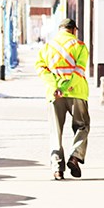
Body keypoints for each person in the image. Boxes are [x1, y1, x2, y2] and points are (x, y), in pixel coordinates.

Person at [35, 17, 90, 180]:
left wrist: (55, 87)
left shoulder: (47, 46)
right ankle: (75, 156)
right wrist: (66, 87)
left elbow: (40, 68)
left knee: (55, 132)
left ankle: (57, 169)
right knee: (82, 126)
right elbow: (79, 71)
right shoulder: (79, 46)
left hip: (54, 95)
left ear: (60, 30)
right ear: (74, 30)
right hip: (77, 93)